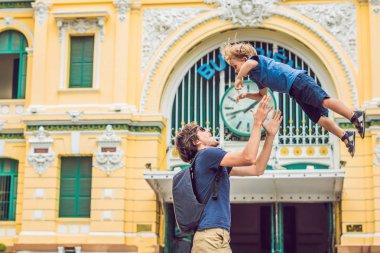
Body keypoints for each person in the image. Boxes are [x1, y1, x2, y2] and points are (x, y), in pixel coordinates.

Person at [175, 95, 282, 253]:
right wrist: (257, 123)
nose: (209, 130)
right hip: (211, 238)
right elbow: (249, 157)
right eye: (203, 130)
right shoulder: (207, 155)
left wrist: (271, 136)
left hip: (216, 238)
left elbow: (257, 169)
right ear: (196, 141)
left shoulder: (211, 164)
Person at [221, 41, 365, 157]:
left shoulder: (254, 61)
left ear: (244, 59)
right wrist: (247, 95)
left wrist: (239, 78)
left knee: (324, 100)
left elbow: (249, 64)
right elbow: (263, 95)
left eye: (235, 66)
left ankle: (354, 115)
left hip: (298, 81)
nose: (235, 70)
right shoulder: (255, 76)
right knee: (319, 118)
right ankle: (345, 136)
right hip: (294, 91)